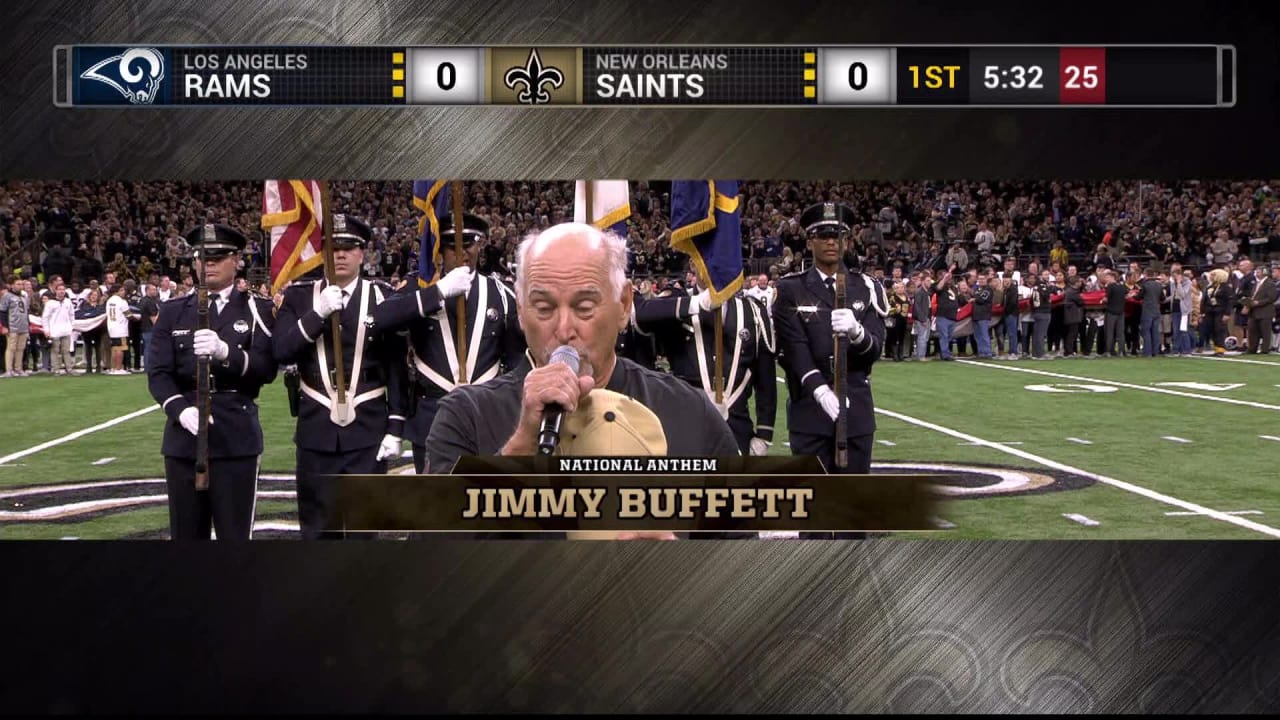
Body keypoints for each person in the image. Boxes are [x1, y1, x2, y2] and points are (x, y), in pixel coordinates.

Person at [426, 221, 738, 467]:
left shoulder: (687, 412)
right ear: (520, 311)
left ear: (624, 304)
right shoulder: (466, 416)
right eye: (544, 309)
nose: (564, 330)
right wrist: (521, 447)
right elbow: (432, 542)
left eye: (584, 308)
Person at [273, 214, 411, 539]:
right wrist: (316, 314)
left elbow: (396, 367)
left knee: (366, 527)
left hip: (368, 431)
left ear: (363, 253)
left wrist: (395, 426)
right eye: (333, 247)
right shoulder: (300, 297)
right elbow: (281, 351)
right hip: (316, 430)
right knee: (319, 528)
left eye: (349, 247)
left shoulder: (383, 296)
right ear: (323, 253)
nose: (341, 254)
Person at [147, 224, 278, 541]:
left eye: (218, 257)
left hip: (234, 434)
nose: (209, 264)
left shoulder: (256, 309)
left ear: (237, 261)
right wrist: (180, 410)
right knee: (186, 535)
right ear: (193, 262)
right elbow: (158, 373)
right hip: (184, 439)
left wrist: (226, 352)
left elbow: (266, 368)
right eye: (202, 257)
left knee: (235, 536)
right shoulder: (174, 311)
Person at [368, 212, 527, 474]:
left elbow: (515, 358)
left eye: (468, 243)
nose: (461, 252)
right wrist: (438, 292)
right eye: (451, 245)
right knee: (435, 506)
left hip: (487, 415)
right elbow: (380, 318)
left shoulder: (501, 294)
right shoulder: (420, 286)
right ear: (439, 249)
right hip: (432, 413)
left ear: (481, 245)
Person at [773, 201, 887, 477]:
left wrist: (857, 333)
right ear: (810, 242)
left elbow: (874, 349)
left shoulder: (867, 287)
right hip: (809, 410)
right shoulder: (791, 289)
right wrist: (820, 389)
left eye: (837, 236)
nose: (831, 243)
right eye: (823, 236)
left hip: (856, 410)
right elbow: (793, 348)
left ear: (847, 242)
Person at [634, 270, 777, 456]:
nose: (715, 265)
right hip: (684, 429)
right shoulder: (678, 302)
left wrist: (764, 436)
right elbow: (640, 315)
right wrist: (697, 303)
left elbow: (765, 377)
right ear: (694, 262)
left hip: (737, 431)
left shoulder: (753, 311)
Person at [41, 277, 76, 374]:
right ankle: (56, 369)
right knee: (55, 351)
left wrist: (71, 326)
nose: (61, 291)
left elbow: (72, 315)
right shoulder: (50, 303)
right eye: (59, 290)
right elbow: (45, 317)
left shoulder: (68, 302)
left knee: (66, 350)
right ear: (55, 291)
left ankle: (69, 369)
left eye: (63, 290)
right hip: (54, 330)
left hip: (66, 330)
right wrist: (46, 330)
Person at [1241, 262, 1276, 354]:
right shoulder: (1256, 283)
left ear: (1264, 272)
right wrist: (1248, 304)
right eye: (1256, 271)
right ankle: (1252, 349)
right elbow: (1254, 296)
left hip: (1265, 311)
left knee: (1265, 332)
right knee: (1252, 331)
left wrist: (1258, 302)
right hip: (1254, 311)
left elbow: (1271, 298)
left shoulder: (1270, 283)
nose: (1256, 273)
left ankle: (1265, 350)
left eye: (1258, 271)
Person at [1, 277, 31, 377]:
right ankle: (9, 370)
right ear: (12, 285)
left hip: (23, 326)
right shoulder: (7, 296)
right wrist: (5, 326)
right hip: (12, 326)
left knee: (21, 348)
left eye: (21, 284)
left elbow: (26, 312)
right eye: (18, 284)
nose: (21, 286)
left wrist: (28, 324)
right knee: (11, 348)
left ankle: (18, 368)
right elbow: (3, 312)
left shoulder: (24, 296)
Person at [1203, 268, 1234, 356]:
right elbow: (1204, 300)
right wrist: (1202, 311)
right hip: (1210, 311)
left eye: (1213, 275)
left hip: (1220, 311)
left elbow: (1230, 301)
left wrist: (1227, 313)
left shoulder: (1226, 288)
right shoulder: (1209, 286)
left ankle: (1220, 349)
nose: (1211, 276)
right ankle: (1216, 348)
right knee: (1211, 329)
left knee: (1219, 330)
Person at [105, 283, 133, 374]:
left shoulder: (109, 300)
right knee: (120, 348)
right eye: (121, 290)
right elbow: (128, 315)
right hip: (121, 328)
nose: (124, 292)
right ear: (116, 291)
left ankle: (113, 368)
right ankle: (119, 368)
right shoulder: (122, 301)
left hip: (111, 327)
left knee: (114, 348)